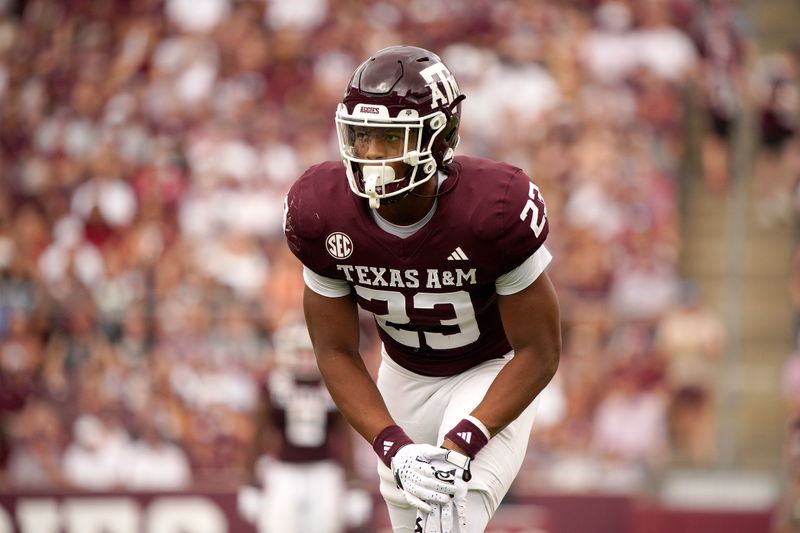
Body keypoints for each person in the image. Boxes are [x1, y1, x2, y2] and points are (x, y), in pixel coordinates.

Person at [283, 45, 561, 533]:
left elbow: (539, 350)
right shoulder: (321, 212)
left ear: (440, 138)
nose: (369, 156)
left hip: (487, 371)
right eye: (362, 136)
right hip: (402, 374)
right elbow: (334, 351)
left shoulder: (492, 210)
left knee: (448, 518)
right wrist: (393, 445)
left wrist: (466, 439)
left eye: (389, 140)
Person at [240, 319, 371, 533]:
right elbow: (258, 432)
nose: (305, 360)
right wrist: (250, 480)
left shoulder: (333, 384)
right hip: (283, 471)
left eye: (310, 352)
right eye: (300, 352)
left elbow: (345, 435)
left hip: (324, 472)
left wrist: (353, 482)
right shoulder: (274, 384)